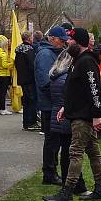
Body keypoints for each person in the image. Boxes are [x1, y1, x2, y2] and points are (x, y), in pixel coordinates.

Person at [43, 27, 101, 201]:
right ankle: (100, 188)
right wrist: (66, 106)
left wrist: (97, 115)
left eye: (70, 40)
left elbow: (95, 90)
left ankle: (67, 192)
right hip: (79, 113)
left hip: (84, 117)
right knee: (93, 153)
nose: (67, 43)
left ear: (78, 42)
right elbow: (76, 90)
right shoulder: (78, 61)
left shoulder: (86, 62)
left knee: (75, 152)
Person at [46, 49, 89, 196]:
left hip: (58, 115)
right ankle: (75, 184)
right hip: (66, 117)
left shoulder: (55, 76)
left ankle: (70, 182)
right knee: (71, 153)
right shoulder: (66, 78)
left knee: (66, 151)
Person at [35, 26, 67, 184]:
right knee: (52, 141)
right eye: (62, 41)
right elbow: (45, 81)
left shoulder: (54, 53)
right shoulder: (45, 55)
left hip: (54, 103)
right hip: (50, 105)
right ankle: (49, 173)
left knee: (55, 140)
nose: (64, 44)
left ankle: (52, 171)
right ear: (53, 39)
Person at [15, 31, 38, 130]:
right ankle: (31, 122)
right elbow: (33, 66)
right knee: (32, 101)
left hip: (22, 79)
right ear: (29, 38)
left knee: (26, 101)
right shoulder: (29, 50)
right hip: (30, 79)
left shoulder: (18, 50)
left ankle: (26, 123)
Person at [0, 35, 13, 115]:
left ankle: (1, 108)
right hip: (4, 75)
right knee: (3, 93)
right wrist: (12, 63)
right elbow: (4, 65)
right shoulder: (3, 54)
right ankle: (3, 109)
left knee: (0, 92)